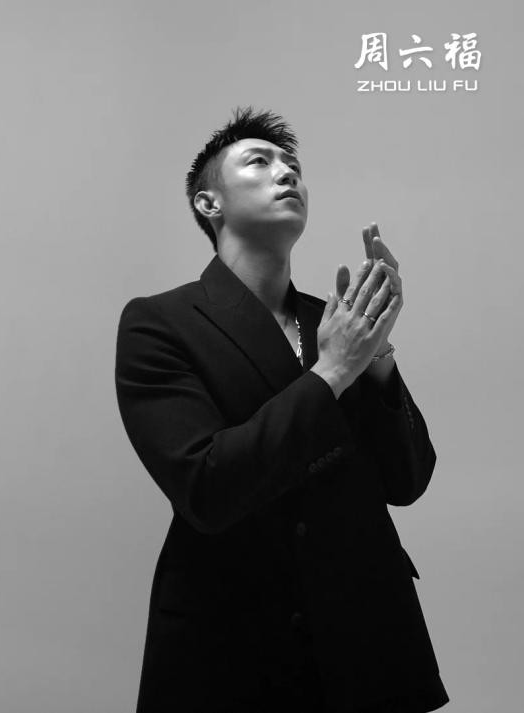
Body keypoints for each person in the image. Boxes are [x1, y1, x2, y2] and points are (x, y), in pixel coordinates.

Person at [114, 108, 446, 712]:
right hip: (234, 648)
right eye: (259, 162)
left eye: (292, 164)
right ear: (209, 203)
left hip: (366, 645)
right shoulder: (160, 322)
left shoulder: (335, 323)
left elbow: (408, 480)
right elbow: (207, 486)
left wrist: (376, 354)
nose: (286, 172)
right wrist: (333, 371)